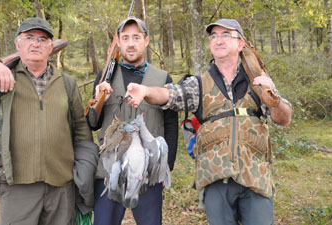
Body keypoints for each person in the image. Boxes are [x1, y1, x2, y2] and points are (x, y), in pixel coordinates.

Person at [124, 18, 293, 225]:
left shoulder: (258, 81)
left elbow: (283, 119)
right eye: (213, 36)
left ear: (241, 44)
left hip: (256, 177)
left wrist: (273, 95)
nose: (218, 40)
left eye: (225, 35)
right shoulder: (199, 84)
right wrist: (146, 90)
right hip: (215, 178)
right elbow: (169, 95)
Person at [0, 17, 94, 225]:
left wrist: (84, 170)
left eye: (43, 39)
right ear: (18, 44)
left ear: (51, 47)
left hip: (62, 185)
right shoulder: (2, 79)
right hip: (17, 185)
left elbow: (81, 129)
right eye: (29, 37)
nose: (36, 43)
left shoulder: (67, 83)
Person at [88, 17, 178, 225]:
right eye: (125, 37)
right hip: (109, 171)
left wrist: (166, 168)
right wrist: (99, 99)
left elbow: (171, 125)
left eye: (136, 37)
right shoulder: (105, 77)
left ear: (146, 41)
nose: (130, 43)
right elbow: (93, 123)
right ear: (118, 42)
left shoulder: (163, 78)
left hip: (148, 172)